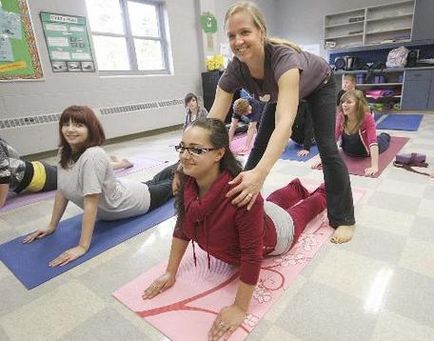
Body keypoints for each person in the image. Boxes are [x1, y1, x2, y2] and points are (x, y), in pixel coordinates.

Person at [142, 118, 327, 340]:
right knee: (272, 202)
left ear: (219, 154)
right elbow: (183, 227)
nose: (184, 156)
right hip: (262, 213)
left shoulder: (241, 195)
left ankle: (323, 192)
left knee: (306, 209)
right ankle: (296, 187)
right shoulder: (189, 183)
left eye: (196, 150)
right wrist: (170, 271)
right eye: (182, 147)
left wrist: (240, 308)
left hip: (278, 233)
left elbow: (252, 254)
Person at [206, 1, 355, 244]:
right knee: (259, 145)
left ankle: (345, 218)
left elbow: (284, 124)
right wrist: (192, 153)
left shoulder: (283, 59)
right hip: (279, 91)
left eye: (245, 32)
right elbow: (213, 121)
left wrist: (260, 175)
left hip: (319, 85)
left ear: (261, 32)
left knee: (327, 148)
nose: (238, 41)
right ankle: (241, 201)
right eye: (232, 35)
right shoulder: (235, 69)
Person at [23, 105, 176, 266]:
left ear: (90, 129)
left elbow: (91, 202)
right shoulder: (64, 151)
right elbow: (62, 191)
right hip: (125, 189)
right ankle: (178, 165)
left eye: (78, 125)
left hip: (136, 201)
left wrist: (82, 246)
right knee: (157, 180)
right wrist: (51, 225)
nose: (70, 129)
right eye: (66, 124)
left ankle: (187, 163)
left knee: (175, 185)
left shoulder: (92, 156)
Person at [0, 137, 133, 209]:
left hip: (42, 177)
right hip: (37, 169)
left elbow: (4, 178)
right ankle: (116, 162)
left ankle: (122, 164)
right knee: (76, 166)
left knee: (83, 169)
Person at [313, 90, 391, 177]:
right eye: (343, 102)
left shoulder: (367, 118)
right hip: (348, 151)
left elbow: (373, 143)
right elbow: (333, 139)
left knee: (383, 138)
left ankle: (385, 135)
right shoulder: (341, 117)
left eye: (349, 102)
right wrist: (322, 159)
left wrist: (374, 166)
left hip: (365, 152)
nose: (344, 105)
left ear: (358, 104)